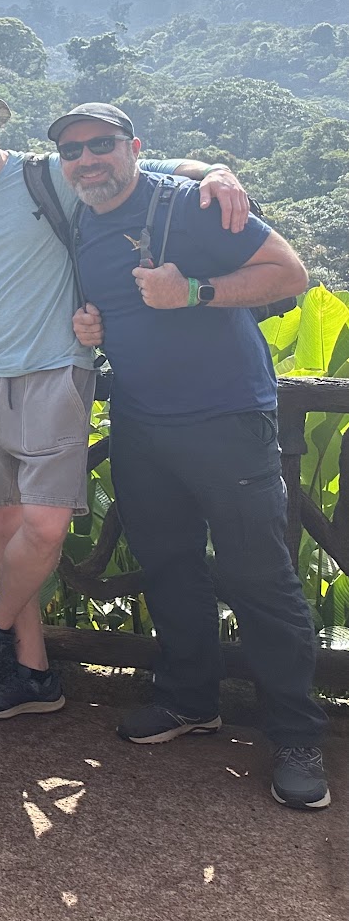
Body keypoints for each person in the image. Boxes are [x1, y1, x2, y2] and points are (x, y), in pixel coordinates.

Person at [0, 82, 252, 720]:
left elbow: (145, 171)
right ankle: (34, 675)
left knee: (44, 526)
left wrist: (217, 171)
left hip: (55, 369)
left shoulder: (51, 176)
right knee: (4, 530)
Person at [56, 102, 329, 811]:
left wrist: (197, 292)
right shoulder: (84, 216)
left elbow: (289, 272)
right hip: (142, 422)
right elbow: (112, 302)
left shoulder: (194, 204)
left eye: (102, 145)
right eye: (74, 151)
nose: (88, 160)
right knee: (170, 565)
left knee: (258, 577)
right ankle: (188, 701)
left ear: (133, 147)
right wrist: (94, 322)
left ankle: (297, 735)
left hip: (227, 418)